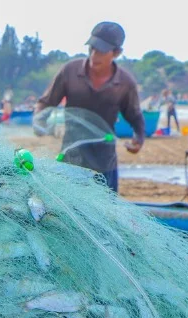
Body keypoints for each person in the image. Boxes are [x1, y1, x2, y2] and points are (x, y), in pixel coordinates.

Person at [34, 22, 145, 192]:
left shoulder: (124, 83)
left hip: (104, 164)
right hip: (70, 160)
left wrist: (138, 140)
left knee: (106, 213)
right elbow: (46, 102)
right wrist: (39, 121)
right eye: (92, 48)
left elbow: (135, 117)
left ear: (116, 53)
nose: (94, 55)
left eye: (101, 51)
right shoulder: (70, 72)